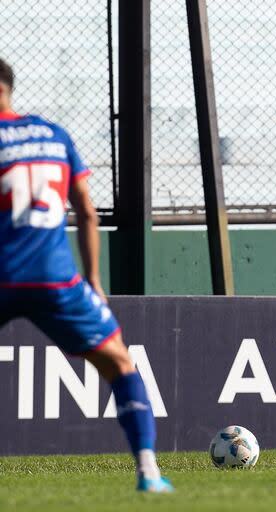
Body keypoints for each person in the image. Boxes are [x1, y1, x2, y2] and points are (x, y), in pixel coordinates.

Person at [0, 58, 172, 493]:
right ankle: (149, 473)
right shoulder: (54, 136)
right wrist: (93, 278)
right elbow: (88, 212)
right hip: (57, 280)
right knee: (119, 362)